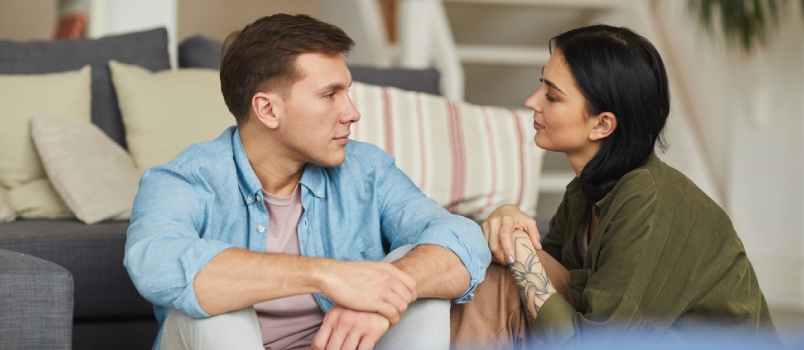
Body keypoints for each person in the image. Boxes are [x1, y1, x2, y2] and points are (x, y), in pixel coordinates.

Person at [124, 14, 490, 350]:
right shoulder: (184, 179)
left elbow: (460, 237)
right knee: (215, 300)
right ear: (268, 109)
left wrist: (381, 295)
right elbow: (153, 263)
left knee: (412, 272)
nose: (352, 113)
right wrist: (327, 275)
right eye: (330, 95)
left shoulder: (368, 170)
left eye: (346, 92)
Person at [454, 24, 780, 348]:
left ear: (602, 124)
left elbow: (596, 343)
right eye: (541, 86)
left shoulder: (648, 201)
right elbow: (542, 280)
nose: (531, 101)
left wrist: (519, 253)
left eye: (552, 96)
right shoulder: (583, 191)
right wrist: (509, 218)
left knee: (505, 276)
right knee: (499, 274)